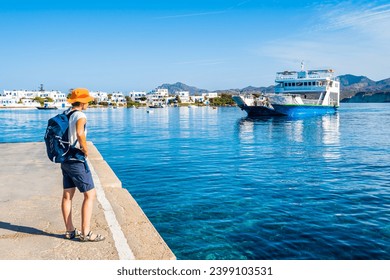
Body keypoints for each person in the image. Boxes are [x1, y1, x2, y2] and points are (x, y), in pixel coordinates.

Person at [61, 88, 105, 242]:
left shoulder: (66, 113)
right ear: (83, 101)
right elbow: (80, 133)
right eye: (88, 101)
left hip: (65, 159)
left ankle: (69, 231)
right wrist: (85, 149)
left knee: (67, 196)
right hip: (76, 160)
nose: (89, 103)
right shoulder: (80, 115)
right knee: (90, 195)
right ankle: (86, 233)